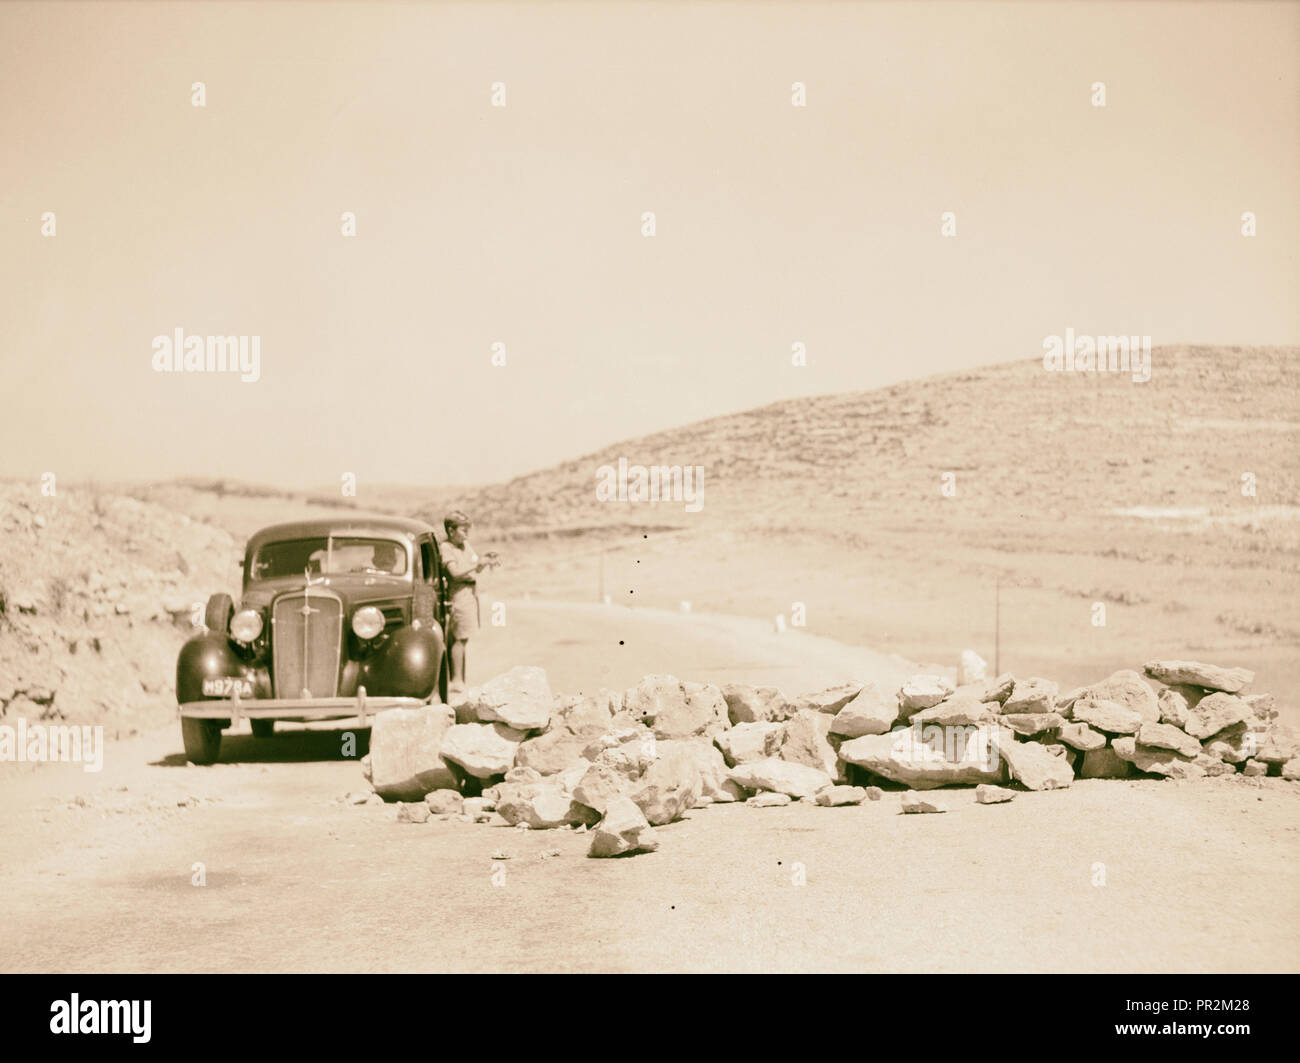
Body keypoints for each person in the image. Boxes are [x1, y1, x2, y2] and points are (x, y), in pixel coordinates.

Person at [439, 510, 499, 693]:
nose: (466, 534)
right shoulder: (447, 548)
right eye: (463, 530)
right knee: (460, 638)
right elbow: (455, 572)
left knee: (463, 637)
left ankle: (459, 679)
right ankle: (456, 680)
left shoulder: (464, 546)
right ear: (451, 530)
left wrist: (484, 561)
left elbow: (473, 567)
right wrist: (476, 564)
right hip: (459, 594)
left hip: (469, 593)